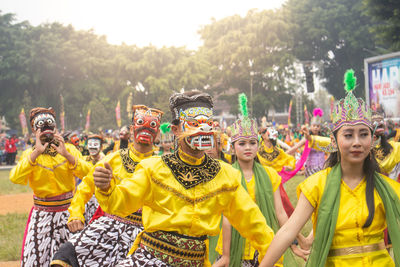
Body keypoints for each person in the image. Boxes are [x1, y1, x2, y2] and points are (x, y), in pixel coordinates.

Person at [94, 90, 275, 266]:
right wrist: (105, 188)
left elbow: (255, 224)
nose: (203, 128)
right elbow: (121, 202)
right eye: (193, 123)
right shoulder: (154, 169)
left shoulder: (225, 176)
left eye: (207, 122)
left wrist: (274, 258)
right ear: (175, 129)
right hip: (150, 260)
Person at [260, 69, 400, 267]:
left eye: (363, 134)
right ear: (334, 141)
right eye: (348, 135)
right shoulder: (317, 185)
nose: (357, 142)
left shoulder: (387, 188)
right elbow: (288, 231)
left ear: (373, 139)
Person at [51, 105, 163, 267]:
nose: (146, 130)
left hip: (148, 233)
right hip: (111, 227)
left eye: (152, 126)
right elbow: (85, 186)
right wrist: (76, 214)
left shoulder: (163, 165)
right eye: (140, 124)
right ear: (132, 130)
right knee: (65, 256)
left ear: (158, 133)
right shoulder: (113, 159)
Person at [213, 94, 307, 267]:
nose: (248, 147)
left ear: (258, 145)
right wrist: (226, 255)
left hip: (266, 246)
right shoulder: (227, 174)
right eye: (242, 143)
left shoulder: (270, 175)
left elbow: (279, 213)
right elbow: (227, 218)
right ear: (233, 148)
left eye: (252, 143)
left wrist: (292, 244)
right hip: (235, 247)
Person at [9, 107, 91, 267]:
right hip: (42, 215)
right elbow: (15, 177)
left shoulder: (69, 150)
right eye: (41, 126)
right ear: (34, 130)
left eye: (50, 125)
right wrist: (36, 153)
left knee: (73, 259)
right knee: (35, 260)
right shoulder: (29, 154)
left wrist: (67, 155)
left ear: (56, 128)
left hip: (68, 214)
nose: (47, 130)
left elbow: (89, 173)